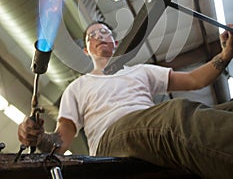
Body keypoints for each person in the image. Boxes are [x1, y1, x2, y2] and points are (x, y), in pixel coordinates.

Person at [18, 21, 233, 178]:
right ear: (86, 50)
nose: (100, 35)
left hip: (151, 130)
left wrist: (225, 55)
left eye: (105, 32)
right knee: (173, 116)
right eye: (92, 35)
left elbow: (194, 80)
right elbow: (60, 143)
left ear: (115, 42)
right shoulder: (78, 87)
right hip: (112, 140)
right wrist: (38, 138)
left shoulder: (141, 71)